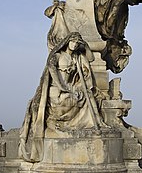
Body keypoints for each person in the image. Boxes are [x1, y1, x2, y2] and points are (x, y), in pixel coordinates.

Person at [18, 32, 106, 163]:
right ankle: (59, 122)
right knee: (69, 99)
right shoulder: (57, 56)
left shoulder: (78, 57)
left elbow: (91, 58)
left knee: (88, 95)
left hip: (70, 89)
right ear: (67, 42)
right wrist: (65, 89)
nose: (75, 44)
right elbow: (54, 75)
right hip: (57, 89)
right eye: (73, 41)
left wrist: (86, 45)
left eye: (77, 43)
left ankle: (98, 122)